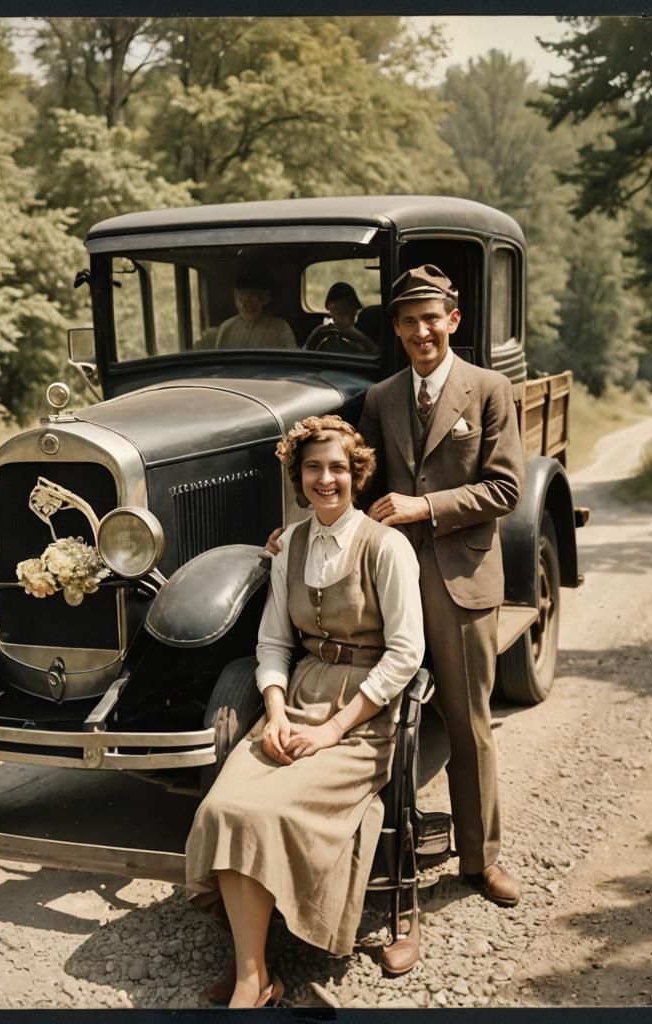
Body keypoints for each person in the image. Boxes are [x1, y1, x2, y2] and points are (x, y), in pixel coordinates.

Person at [185, 415, 425, 1007]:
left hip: (363, 717)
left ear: (357, 474)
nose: (327, 479)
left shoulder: (387, 547)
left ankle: (249, 983)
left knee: (266, 814)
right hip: (295, 701)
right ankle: (257, 972)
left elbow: (407, 653)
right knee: (227, 806)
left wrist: (333, 730)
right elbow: (272, 643)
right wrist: (277, 710)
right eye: (313, 468)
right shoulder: (290, 544)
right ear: (299, 476)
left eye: (338, 468)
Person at [359, 264, 525, 909]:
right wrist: (294, 532)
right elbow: (362, 484)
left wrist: (424, 508)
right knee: (385, 718)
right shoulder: (381, 398)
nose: (421, 331)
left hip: (461, 581)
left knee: (467, 723)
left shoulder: (489, 389)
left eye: (432, 318)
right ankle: (382, 857)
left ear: (453, 321)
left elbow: (505, 488)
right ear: (396, 330)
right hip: (393, 583)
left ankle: (481, 861)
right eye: (408, 321)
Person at [214, 269, 296, 349]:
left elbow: (291, 359)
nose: (243, 304)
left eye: (250, 298)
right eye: (240, 298)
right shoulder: (226, 327)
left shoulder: (281, 327)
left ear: (264, 299)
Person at [304, 281, 377, 353]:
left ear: (355, 309)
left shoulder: (367, 330)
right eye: (335, 309)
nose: (340, 314)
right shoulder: (322, 331)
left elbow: (376, 353)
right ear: (329, 310)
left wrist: (354, 333)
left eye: (345, 310)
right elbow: (305, 352)